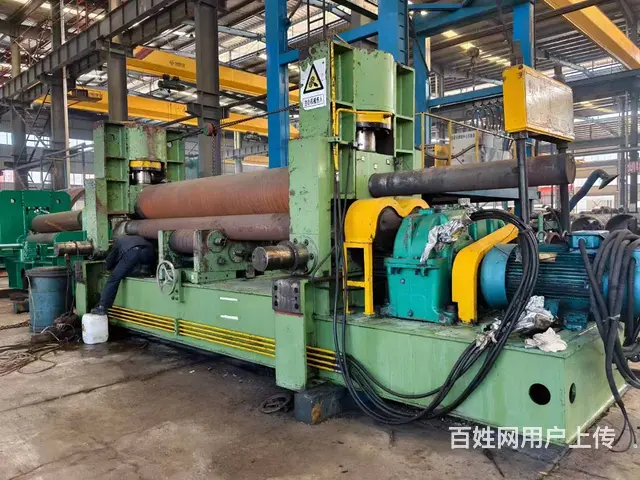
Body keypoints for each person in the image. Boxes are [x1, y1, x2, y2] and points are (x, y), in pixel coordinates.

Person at [91, 235, 156, 314]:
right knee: (138, 271)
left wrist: (107, 266)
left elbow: (110, 261)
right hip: (150, 251)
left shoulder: (118, 242)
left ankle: (102, 307)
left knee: (113, 279)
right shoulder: (135, 238)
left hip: (132, 253)